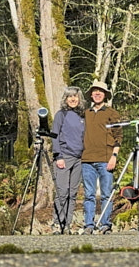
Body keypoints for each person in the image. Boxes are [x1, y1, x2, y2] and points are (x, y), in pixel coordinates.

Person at [81, 80, 122, 235]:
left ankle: (105, 224)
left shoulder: (112, 113)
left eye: (100, 91)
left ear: (105, 95)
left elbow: (118, 136)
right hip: (87, 160)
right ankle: (89, 225)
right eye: (95, 91)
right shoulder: (85, 113)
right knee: (88, 194)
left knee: (106, 194)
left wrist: (114, 156)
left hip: (106, 158)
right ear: (91, 95)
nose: (97, 93)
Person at [51, 86, 86, 235]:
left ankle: (67, 224)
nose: (73, 99)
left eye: (75, 96)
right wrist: (58, 156)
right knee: (62, 192)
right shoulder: (61, 115)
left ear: (79, 99)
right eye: (69, 97)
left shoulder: (83, 116)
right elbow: (55, 136)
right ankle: (57, 223)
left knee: (72, 193)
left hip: (79, 159)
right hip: (64, 157)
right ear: (65, 99)